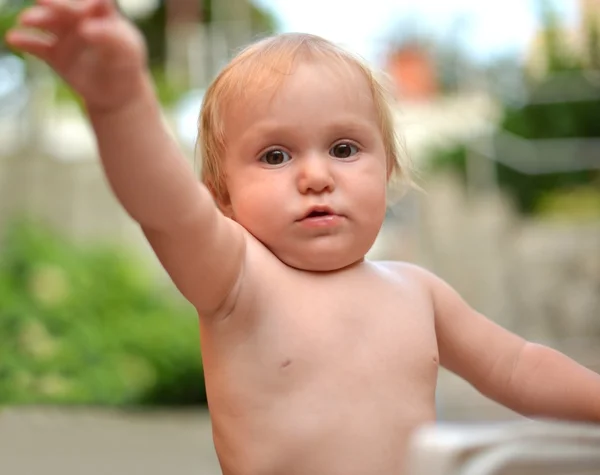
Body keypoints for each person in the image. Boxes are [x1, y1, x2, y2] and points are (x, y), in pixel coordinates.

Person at [6, 1, 600, 474]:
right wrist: (119, 102)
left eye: (344, 149)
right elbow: (163, 206)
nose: (316, 176)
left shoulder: (420, 292)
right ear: (223, 196)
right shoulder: (238, 280)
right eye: (275, 154)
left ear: (388, 170)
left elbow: (520, 368)